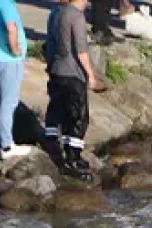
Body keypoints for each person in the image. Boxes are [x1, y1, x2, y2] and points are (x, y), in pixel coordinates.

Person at [45, 0, 98, 179]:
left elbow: (51, 42)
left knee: (58, 108)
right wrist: (91, 74)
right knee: (78, 116)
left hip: (57, 69)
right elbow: (81, 50)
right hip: (72, 72)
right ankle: (73, 156)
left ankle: (52, 143)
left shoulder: (57, 12)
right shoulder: (76, 16)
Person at [0, 0, 29, 159]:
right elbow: (11, 27)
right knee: (8, 103)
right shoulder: (5, 3)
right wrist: (15, 49)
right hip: (9, 60)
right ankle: (6, 145)